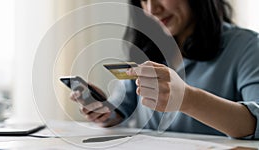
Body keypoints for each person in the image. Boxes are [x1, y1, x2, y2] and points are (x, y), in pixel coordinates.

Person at [70, 0, 259, 139]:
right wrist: (105, 112)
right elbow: (123, 109)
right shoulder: (150, 48)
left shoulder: (247, 47)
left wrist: (187, 98)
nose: (152, 9)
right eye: (143, 0)